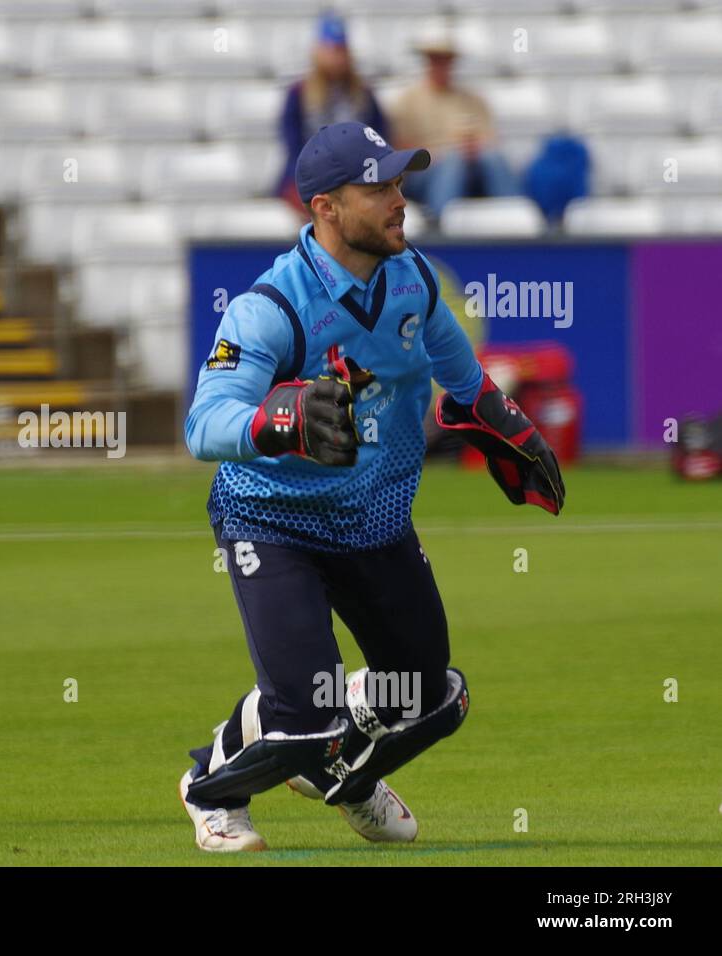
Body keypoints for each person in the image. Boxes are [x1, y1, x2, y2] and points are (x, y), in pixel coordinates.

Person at [179, 122, 564, 852]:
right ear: (325, 207)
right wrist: (281, 419)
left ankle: (347, 781)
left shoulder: (411, 279)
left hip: (375, 520)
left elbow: (460, 372)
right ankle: (210, 787)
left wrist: (502, 423)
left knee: (431, 698)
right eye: (378, 187)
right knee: (307, 716)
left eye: (399, 183)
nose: (399, 200)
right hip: (272, 518)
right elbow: (204, 425)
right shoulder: (270, 307)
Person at [388, 28, 517, 221]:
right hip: (425, 171)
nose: (441, 65)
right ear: (428, 61)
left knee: (492, 158)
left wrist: (473, 148)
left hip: (471, 166)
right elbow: (398, 147)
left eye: (446, 59)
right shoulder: (408, 101)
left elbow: (490, 139)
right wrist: (436, 154)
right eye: (436, 59)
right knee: (452, 162)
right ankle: (442, 220)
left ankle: (513, 217)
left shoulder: (473, 100)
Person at [275, 12, 386, 213]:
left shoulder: (363, 94)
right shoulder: (299, 94)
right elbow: (292, 146)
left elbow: (379, 140)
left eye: (340, 50)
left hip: (356, 176)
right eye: (331, 50)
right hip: (308, 176)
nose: (336, 57)